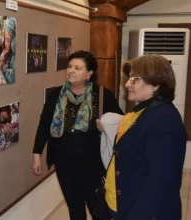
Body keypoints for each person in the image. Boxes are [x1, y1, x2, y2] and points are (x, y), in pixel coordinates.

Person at [31, 50, 123, 220]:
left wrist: (106, 126)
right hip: (63, 161)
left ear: (89, 74)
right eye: (70, 66)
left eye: (78, 68)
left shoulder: (102, 95)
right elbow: (44, 125)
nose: (71, 71)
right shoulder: (55, 95)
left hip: (93, 163)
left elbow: (121, 123)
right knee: (74, 207)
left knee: (97, 208)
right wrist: (37, 153)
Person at [103, 54, 187, 220]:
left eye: (135, 79)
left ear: (156, 85)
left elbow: (160, 182)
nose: (127, 84)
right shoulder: (143, 111)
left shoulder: (164, 119)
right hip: (126, 204)